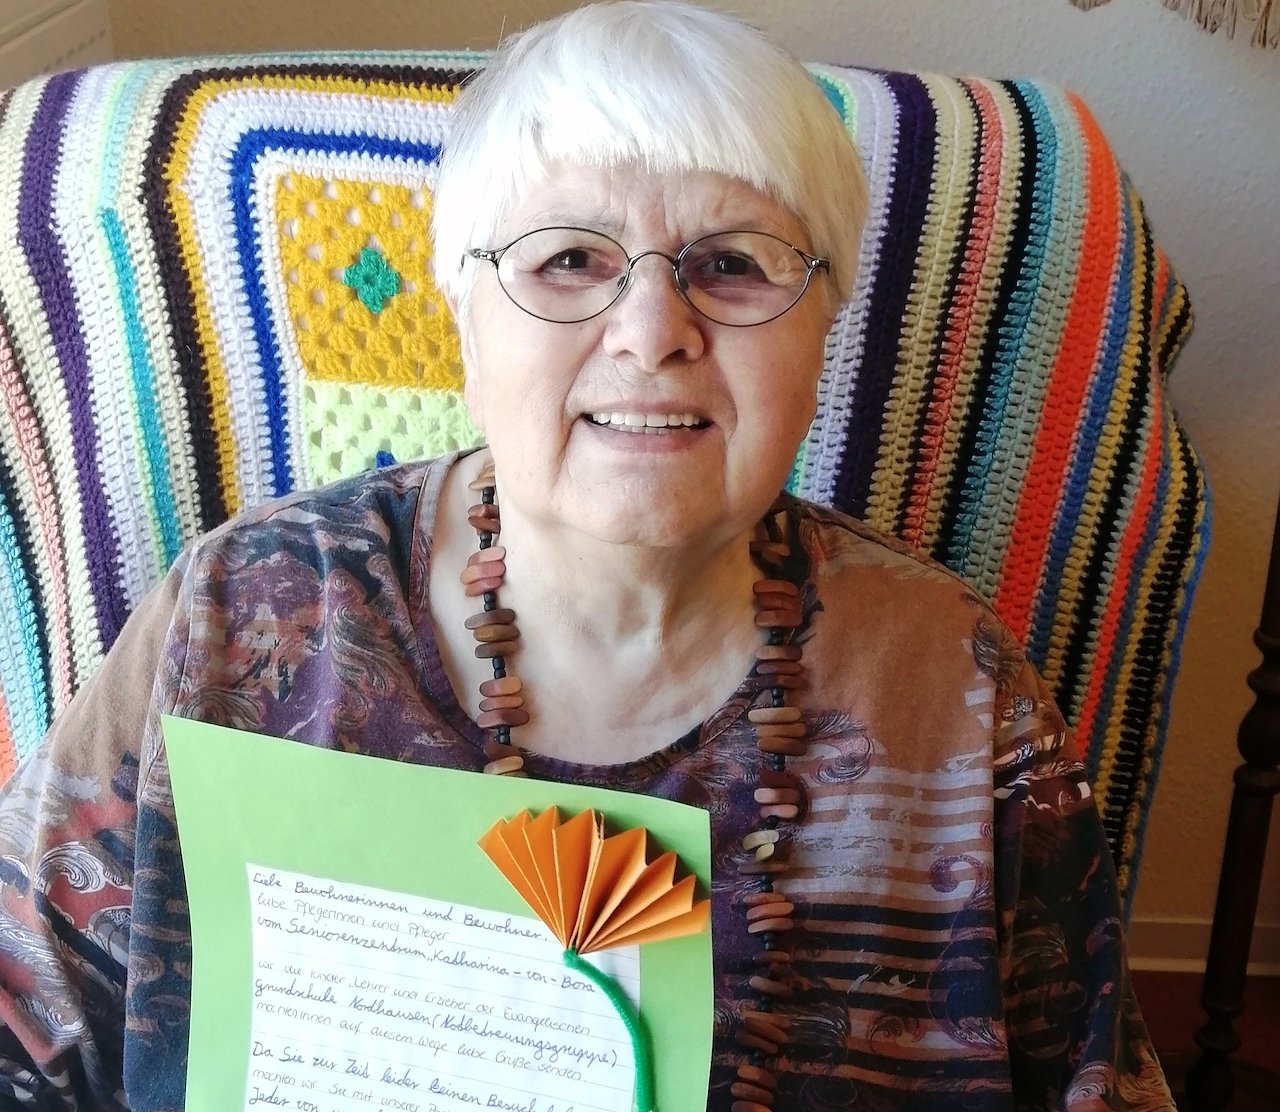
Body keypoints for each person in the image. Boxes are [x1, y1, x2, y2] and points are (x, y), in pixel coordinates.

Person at [0, 2, 1173, 1109]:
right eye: (568, 258)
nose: (651, 332)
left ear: (823, 325)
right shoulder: (239, 615)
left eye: (732, 262)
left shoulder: (949, 678)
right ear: (462, 312)